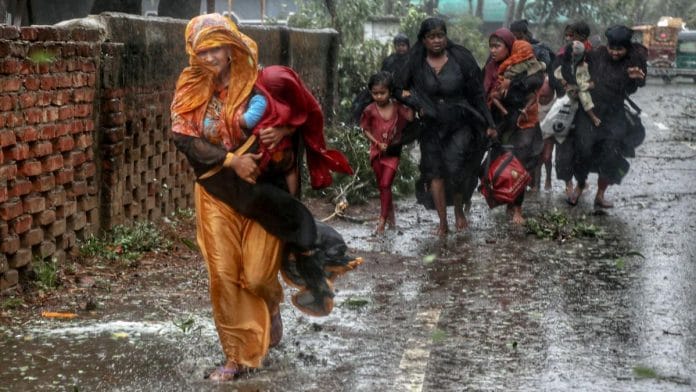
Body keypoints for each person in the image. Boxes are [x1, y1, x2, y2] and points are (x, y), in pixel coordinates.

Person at [170, 14, 361, 381]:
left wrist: (282, 135)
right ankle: (235, 356)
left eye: (216, 49)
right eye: (202, 51)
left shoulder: (260, 87)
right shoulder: (190, 86)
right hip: (216, 191)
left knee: (257, 277)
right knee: (223, 276)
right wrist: (230, 159)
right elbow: (183, 138)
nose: (209, 58)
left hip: (261, 195)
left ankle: (271, 307)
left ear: (232, 48)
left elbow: (296, 130)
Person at [399, 17, 496, 236]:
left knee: (456, 169)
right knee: (435, 172)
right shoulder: (415, 62)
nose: (436, 41)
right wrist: (416, 103)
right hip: (431, 125)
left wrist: (489, 122)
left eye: (440, 35)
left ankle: (459, 209)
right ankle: (443, 223)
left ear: (446, 36)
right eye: (431, 37)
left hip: (460, 121)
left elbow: (478, 94)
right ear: (423, 40)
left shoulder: (461, 58)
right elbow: (397, 88)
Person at [566, 25, 647, 207]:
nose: (615, 53)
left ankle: (600, 194)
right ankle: (579, 186)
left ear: (627, 48)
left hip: (614, 112)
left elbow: (636, 87)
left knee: (611, 152)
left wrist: (636, 78)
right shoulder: (597, 55)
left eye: (620, 49)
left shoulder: (634, 60)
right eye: (612, 48)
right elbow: (576, 65)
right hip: (590, 110)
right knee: (583, 149)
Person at [484, 28, 545, 224]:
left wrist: (513, 83)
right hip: (501, 122)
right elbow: (483, 91)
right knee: (499, 162)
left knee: (519, 163)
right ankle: (504, 198)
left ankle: (517, 207)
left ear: (509, 46)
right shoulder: (490, 67)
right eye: (491, 46)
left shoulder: (523, 61)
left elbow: (536, 79)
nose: (493, 50)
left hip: (523, 120)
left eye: (497, 46)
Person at [360, 71, 414, 234]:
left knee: (385, 184)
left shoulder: (397, 107)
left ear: (390, 91)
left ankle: (382, 222)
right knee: (383, 187)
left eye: (382, 93)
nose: (379, 97)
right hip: (376, 152)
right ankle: (391, 217)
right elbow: (365, 129)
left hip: (393, 151)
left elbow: (410, 118)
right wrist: (376, 142)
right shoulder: (369, 110)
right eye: (375, 93)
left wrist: (410, 100)